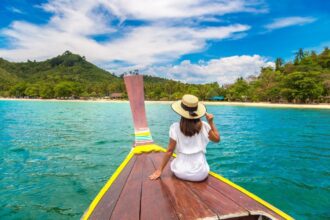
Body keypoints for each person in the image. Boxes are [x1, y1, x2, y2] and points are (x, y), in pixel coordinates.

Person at [149, 94, 220, 182]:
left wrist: (159, 170)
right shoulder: (204, 126)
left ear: (181, 111)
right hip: (200, 174)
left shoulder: (174, 127)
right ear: (197, 111)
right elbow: (217, 139)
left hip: (180, 172)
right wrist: (211, 122)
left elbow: (170, 151)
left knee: (175, 162)